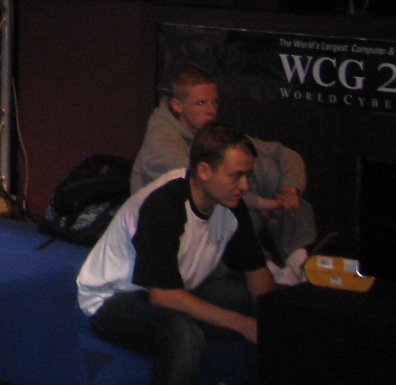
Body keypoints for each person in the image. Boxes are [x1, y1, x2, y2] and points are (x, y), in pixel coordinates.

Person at [79, 122, 276, 385]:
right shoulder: (164, 203)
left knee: (267, 305)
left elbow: (256, 272)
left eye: (247, 175)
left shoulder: (229, 204)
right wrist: (242, 324)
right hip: (115, 299)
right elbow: (163, 296)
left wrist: (275, 322)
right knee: (184, 334)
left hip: (179, 288)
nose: (245, 185)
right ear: (205, 171)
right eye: (237, 175)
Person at [131, 66, 316, 262]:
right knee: (230, 191)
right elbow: (201, 184)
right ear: (177, 105)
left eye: (214, 101)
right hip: (168, 233)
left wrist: (289, 190)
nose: (211, 111)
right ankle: (258, 264)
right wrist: (261, 203)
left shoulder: (209, 132)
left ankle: (297, 259)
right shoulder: (162, 141)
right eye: (200, 103)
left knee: (266, 168)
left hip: (207, 220)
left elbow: (285, 154)